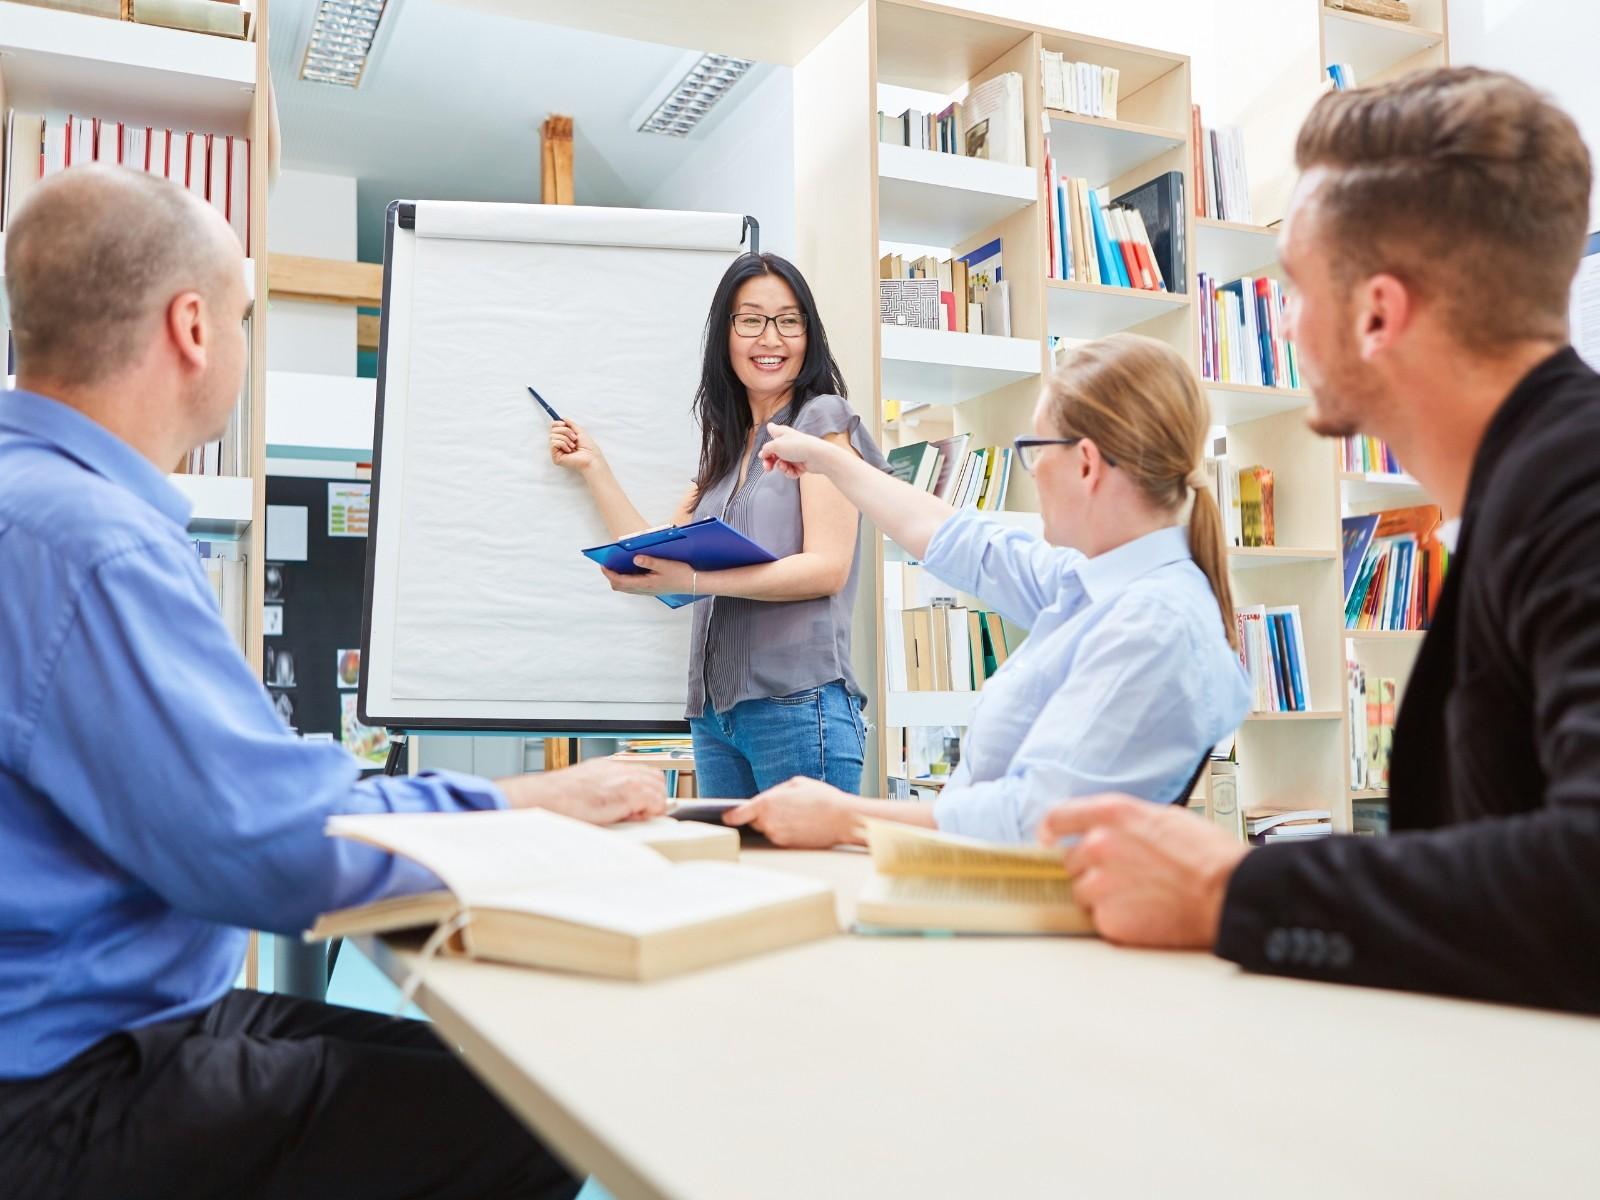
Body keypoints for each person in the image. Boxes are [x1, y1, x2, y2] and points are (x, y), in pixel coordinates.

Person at [0, 165, 668, 1198]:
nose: (242, 339)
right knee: (545, 1108)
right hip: (63, 1087)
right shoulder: (90, 545)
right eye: (243, 314)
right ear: (190, 328)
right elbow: (265, 849)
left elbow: (239, 798)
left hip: (105, 1018)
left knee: (495, 1069)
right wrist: (519, 808)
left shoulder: (39, 506)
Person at [1037, 68, 1600, 1015]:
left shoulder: (1575, 488)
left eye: (1293, 287)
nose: (1284, 321)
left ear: (1378, 312)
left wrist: (1229, 891)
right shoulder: (1528, 485)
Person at [724, 333, 1252, 847]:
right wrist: (832, 460)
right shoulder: (1089, 583)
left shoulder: (1153, 626)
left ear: (1086, 463)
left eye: (1035, 448)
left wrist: (845, 818)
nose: (1034, 470)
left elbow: (1037, 822)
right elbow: (958, 540)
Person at [550, 252, 888, 799]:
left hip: (798, 707)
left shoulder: (821, 420)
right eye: (750, 320)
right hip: (715, 717)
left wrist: (693, 581)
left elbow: (828, 568)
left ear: (809, 334)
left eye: (788, 321)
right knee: (740, 883)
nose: (770, 338)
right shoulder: (726, 451)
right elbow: (652, 551)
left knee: (806, 881)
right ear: (725, 336)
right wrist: (595, 468)